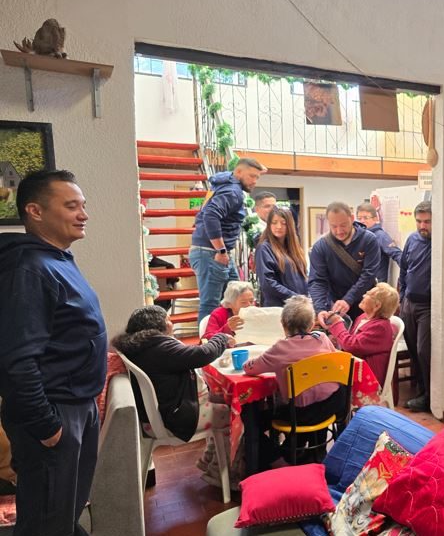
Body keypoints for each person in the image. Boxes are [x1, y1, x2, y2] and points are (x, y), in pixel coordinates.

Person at [0, 169, 108, 535]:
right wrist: (45, 424)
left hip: (77, 406)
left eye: (83, 205)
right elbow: (16, 358)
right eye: (71, 206)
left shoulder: (56, 259)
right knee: (46, 523)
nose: (84, 214)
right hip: (55, 411)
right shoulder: (28, 269)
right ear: (35, 211)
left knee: (64, 516)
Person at [243, 296, 347, 459]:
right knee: (315, 392)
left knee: (250, 419)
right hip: (332, 404)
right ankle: (312, 452)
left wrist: (247, 361)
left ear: (283, 325)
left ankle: (276, 459)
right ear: (312, 324)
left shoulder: (280, 349)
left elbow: (250, 369)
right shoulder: (322, 338)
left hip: (300, 414)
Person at [111, 305, 234, 442]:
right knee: (236, 410)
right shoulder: (159, 347)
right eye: (168, 320)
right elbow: (204, 354)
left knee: (224, 396)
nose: (172, 323)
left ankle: (212, 455)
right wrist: (222, 337)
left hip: (155, 415)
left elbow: (185, 355)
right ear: (159, 324)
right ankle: (230, 455)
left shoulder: (137, 345)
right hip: (174, 419)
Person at [189, 157, 265, 322]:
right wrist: (221, 250)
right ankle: (209, 338)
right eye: (252, 176)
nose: (254, 181)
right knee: (211, 304)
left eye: (257, 177)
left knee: (236, 298)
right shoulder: (232, 192)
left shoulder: (225, 185)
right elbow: (211, 215)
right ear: (238, 172)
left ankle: (231, 333)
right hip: (212, 252)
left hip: (213, 251)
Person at [308, 201, 382, 323]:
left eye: (343, 225)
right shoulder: (320, 247)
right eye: (334, 226)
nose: (339, 231)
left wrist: (348, 299)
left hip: (366, 305)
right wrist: (320, 309)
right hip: (336, 307)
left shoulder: (369, 240)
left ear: (352, 218)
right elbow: (317, 281)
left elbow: (368, 274)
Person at [321, 283, 398, 384]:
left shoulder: (381, 327)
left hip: (367, 379)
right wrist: (337, 339)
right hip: (355, 368)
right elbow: (352, 341)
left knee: (325, 381)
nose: (363, 295)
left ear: (377, 306)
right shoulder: (362, 317)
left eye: (368, 294)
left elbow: (352, 346)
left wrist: (337, 324)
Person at [398, 201, 433, 412]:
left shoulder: (439, 242)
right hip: (409, 303)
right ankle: (421, 392)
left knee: (423, 351)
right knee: (413, 350)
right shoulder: (412, 239)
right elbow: (404, 269)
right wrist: (402, 297)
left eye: (427, 221)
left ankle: (429, 396)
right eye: (419, 221)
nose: (422, 226)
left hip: (427, 306)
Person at [255, 206, 308, 307]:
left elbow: (303, 278)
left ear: (290, 225)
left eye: (283, 223)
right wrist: (295, 297)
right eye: (274, 222)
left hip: (299, 306)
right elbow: (268, 283)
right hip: (278, 308)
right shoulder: (264, 248)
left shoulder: (294, 248)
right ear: (269, 225)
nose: (279, 226)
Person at [356, 201, 402, 284]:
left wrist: (409, 273)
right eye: (359, 218)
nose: (362, 221)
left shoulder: (380, 236)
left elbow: (396, 254)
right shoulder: (359, 236)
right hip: (361, 283)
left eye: (366, 218)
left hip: (376, 285)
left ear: (375, 219)